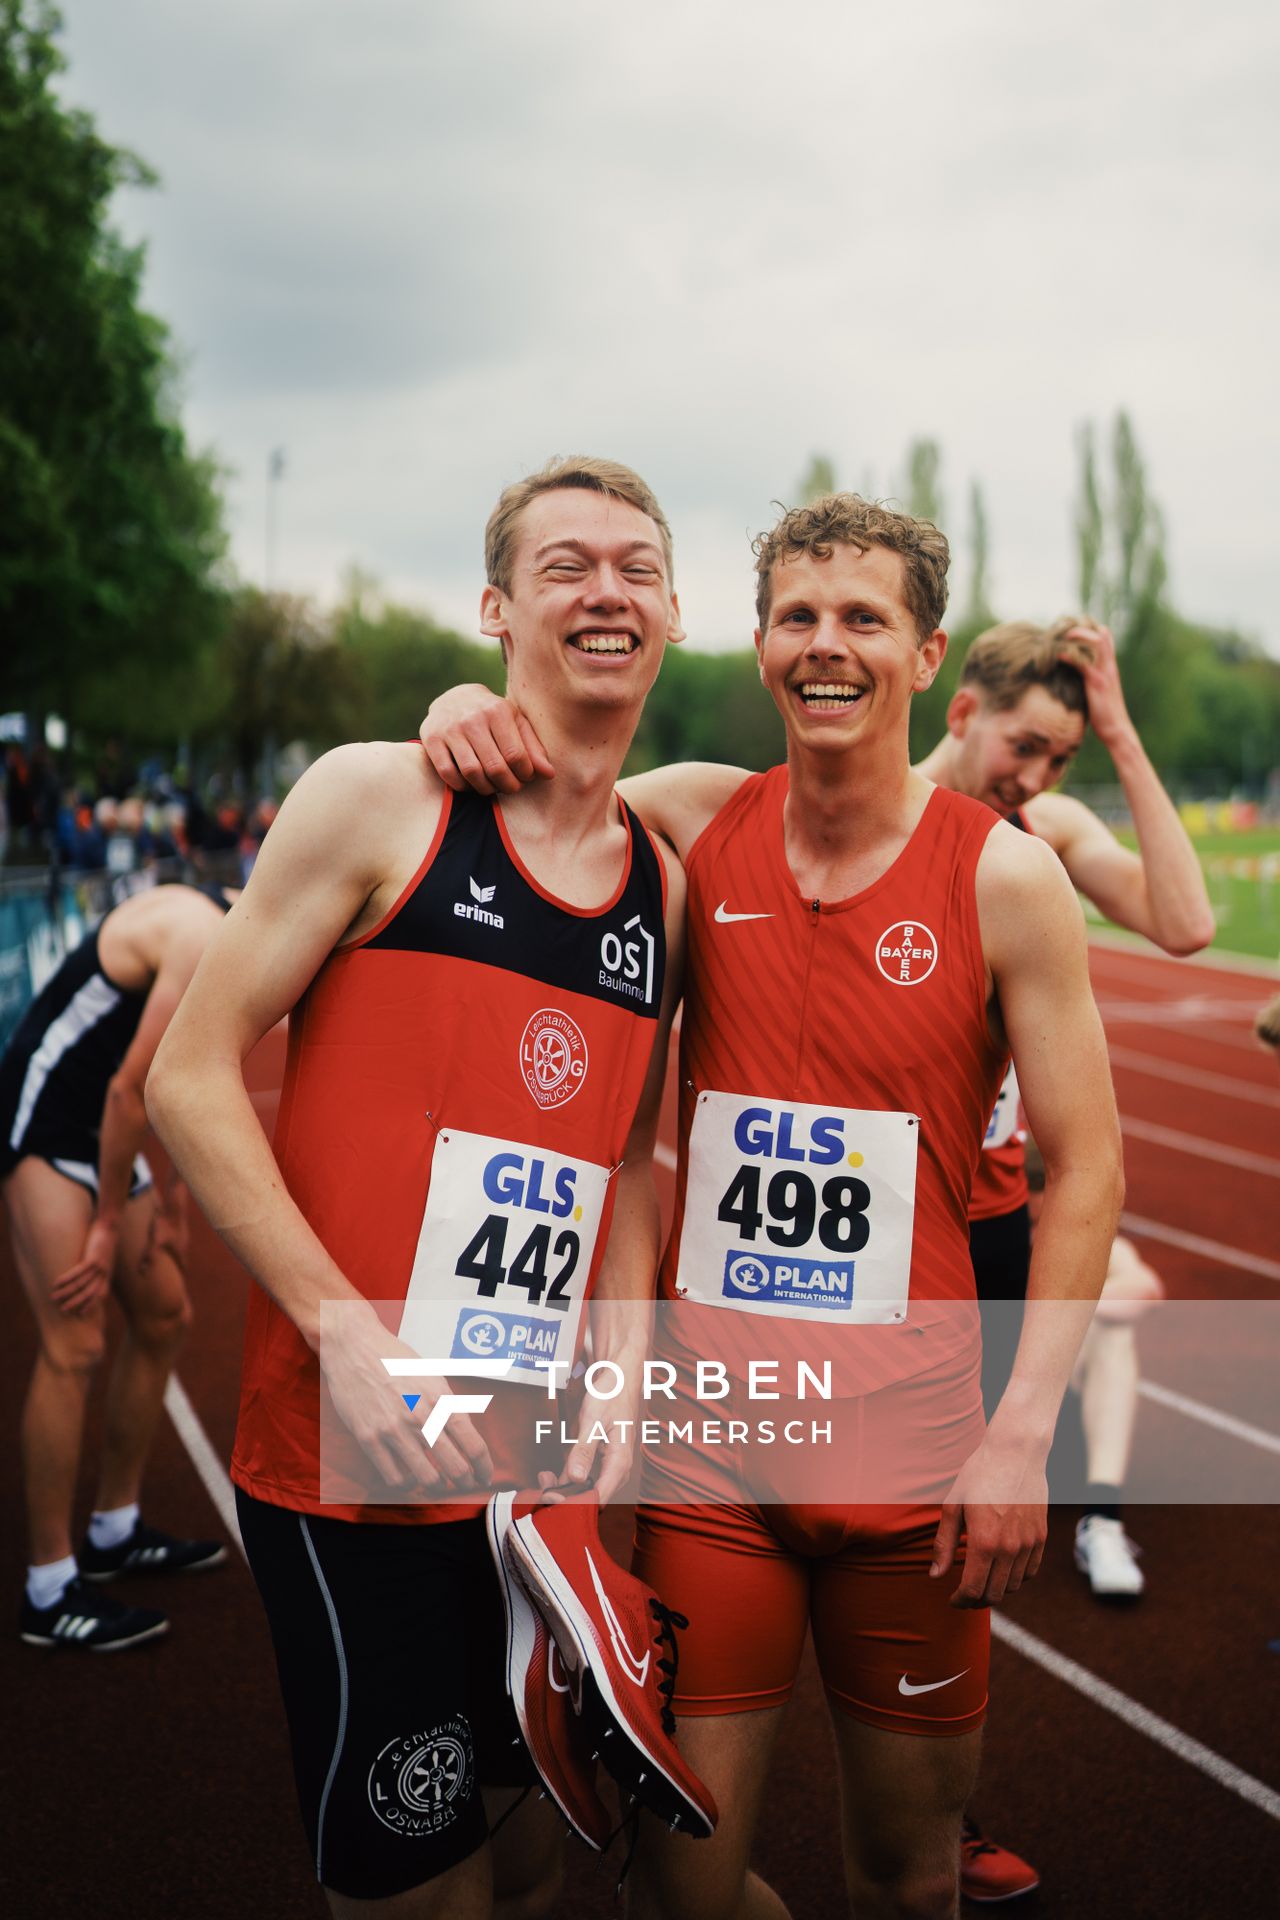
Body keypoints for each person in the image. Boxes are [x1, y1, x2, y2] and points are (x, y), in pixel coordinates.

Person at [420, 491, 1124, 1920]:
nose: (828, 646)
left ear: (927, 656)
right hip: (717, 1463)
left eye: (864, 619)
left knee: (907, 1875)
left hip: (916, 1467)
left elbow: (1086, 1168)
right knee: (679, 1879)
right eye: (799, 616)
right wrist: (455, 697)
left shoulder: (1008, 882)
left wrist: (1022, 1432)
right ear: (756, 646)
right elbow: (538, 752)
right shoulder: (691, 820)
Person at [146, 457, 687, 1920]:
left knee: (529, 1865)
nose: (606, 589)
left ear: (676, 614)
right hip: (353, 1459)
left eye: (637, 565)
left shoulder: (664, 879)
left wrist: (627, 1365)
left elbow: (629, 1154)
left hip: (526, 1470)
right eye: (566, 564)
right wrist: (344, 1330)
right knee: (418, 1894)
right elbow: (189, 1077)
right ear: (497, 609)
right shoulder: (386, 798)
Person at [2, 882, 235, 1652]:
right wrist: (107, 1223)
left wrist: (169, 1198)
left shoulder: (231, 930)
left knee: (165, 1313)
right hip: (49, 1116)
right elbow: (130, 1087)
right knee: (75, 1342)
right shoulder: (203, 935)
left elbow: (189, 1078)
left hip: (109, 1126)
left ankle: (113, 1529)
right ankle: (48, 1587)